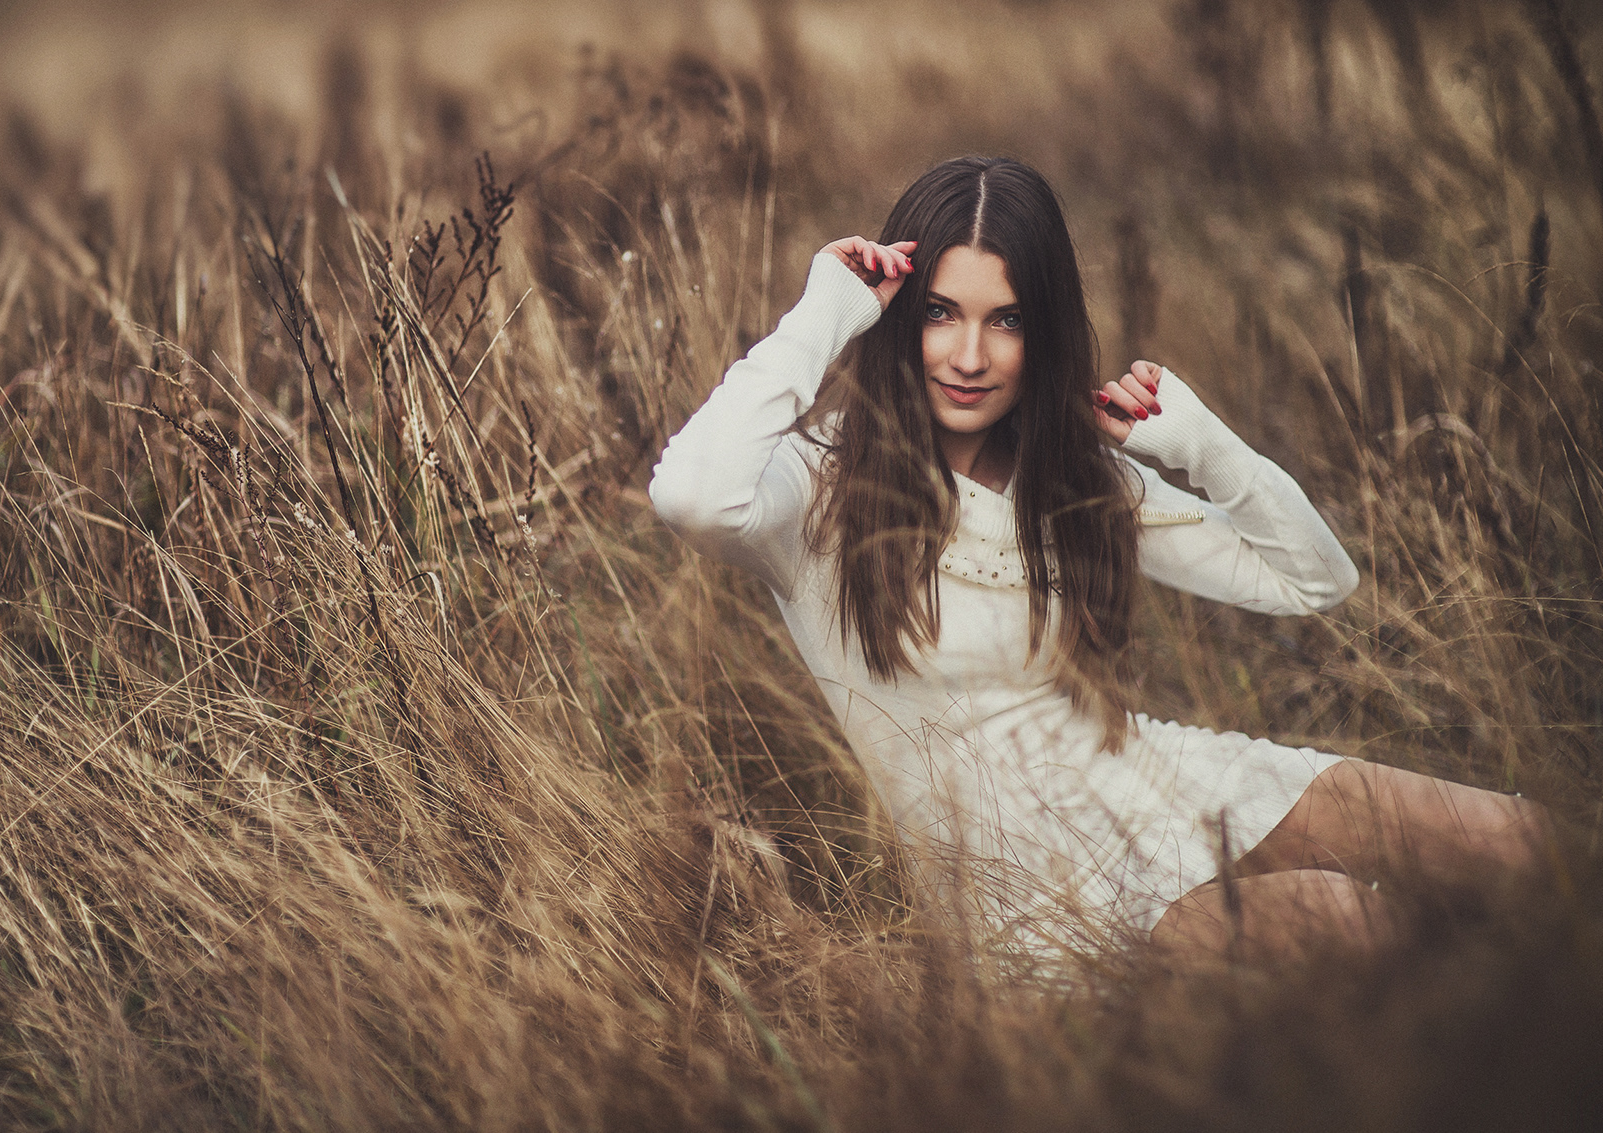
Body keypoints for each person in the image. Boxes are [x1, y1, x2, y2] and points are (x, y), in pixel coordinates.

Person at [649, 155, 1547, 958]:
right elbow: (690, 494)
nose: (969, 356)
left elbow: (1315, 580)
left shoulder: (1075, 477)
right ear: (895, 316)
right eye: (939, 314)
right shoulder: (819, 484)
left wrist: (1201, 445)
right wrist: (825, 311)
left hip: (1161, 780)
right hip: (1037, 891)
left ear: (1043, 331)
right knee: (1349, 921)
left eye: (1006, 319)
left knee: (1525, 844)